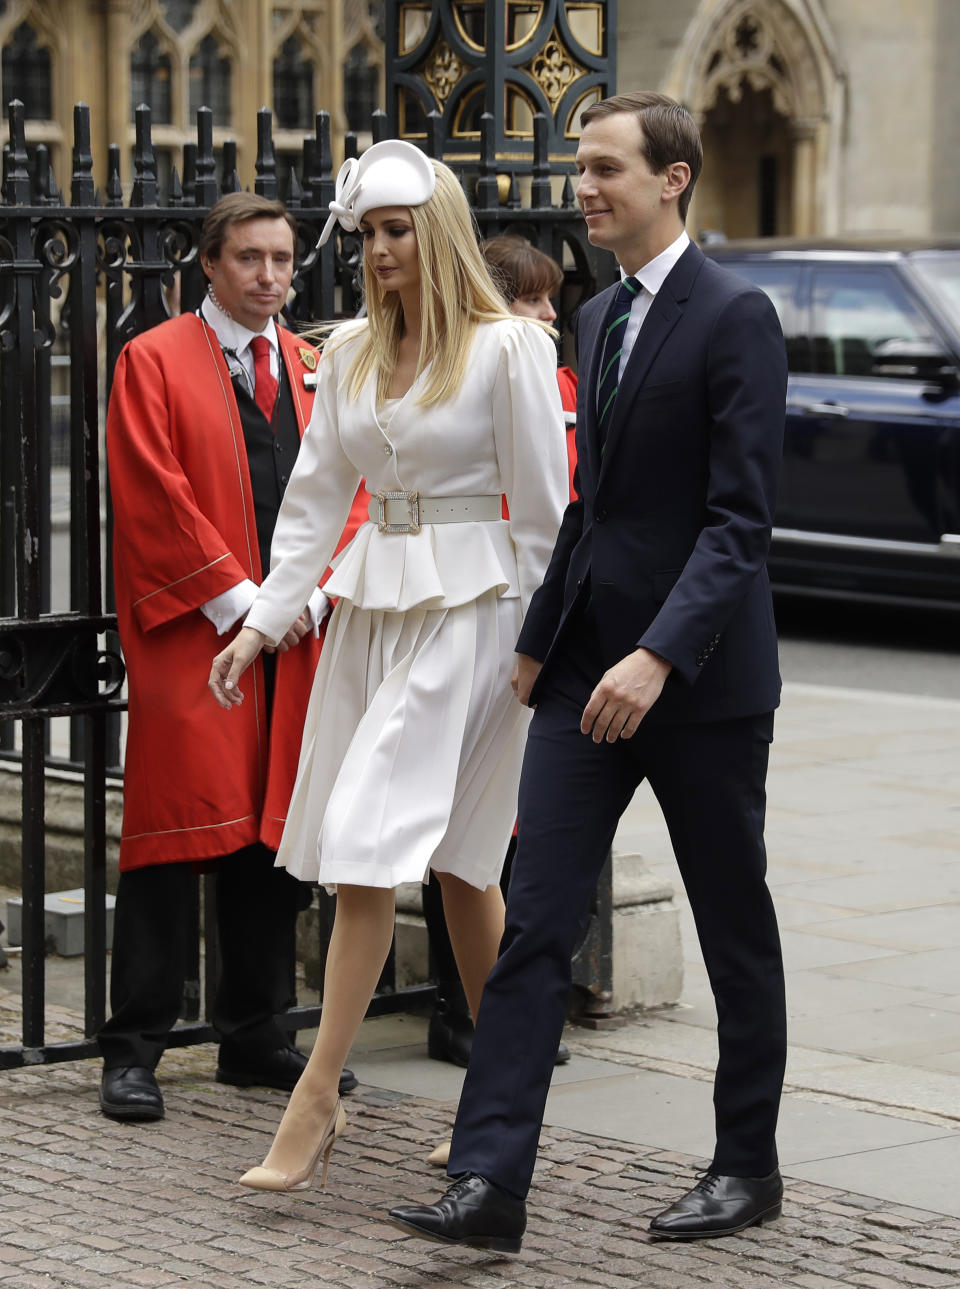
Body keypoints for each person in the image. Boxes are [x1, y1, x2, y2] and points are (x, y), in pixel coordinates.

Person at [387, 90, 788, 1252]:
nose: (583, 186)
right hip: (578, 676)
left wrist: (658, 655)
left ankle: (747, 1163)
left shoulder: (736, 315)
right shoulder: (600, 317)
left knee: (733, 924)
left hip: (701, 685)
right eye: (580, 167)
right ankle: (489, 1182)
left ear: (672, 179)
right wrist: (536, 641)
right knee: (536, 924)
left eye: (605, 167)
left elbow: (739, 524)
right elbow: (587, 510)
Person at [207, 140, 568, 1193]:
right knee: (461, 864)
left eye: (397, 230)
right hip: (374, 608)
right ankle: (507, 1105)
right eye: (367, 233)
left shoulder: (508, 351)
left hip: (481, 612)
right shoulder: (353, 350)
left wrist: (543, 648)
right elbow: (315, 502)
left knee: (368, 843)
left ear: (440, 232)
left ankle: (315, 1099)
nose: (378, 250)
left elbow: (546, 516)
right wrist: (265, 621)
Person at [100, 192, 359, 1121]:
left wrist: (312, 597)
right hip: (195, 636)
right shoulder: (153, 358)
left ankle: (255, 1034)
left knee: (272, 839)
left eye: (283, 260)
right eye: (250, 259)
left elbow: (356, 487)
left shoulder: (316, 366)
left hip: (294, 640)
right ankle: (134, 1048)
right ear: (209, 264)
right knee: (170, 842)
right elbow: (151, 491)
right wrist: (248, 603)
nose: (270, 278)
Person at [424, 234, 577, 1077]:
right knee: (460, 838)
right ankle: (463, 1013)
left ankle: (507, 1014)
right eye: (533, 298)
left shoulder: (559, 382)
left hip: (540, 617)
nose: (550, 315)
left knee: (518, 845)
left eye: (552, 299)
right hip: (478, 611)